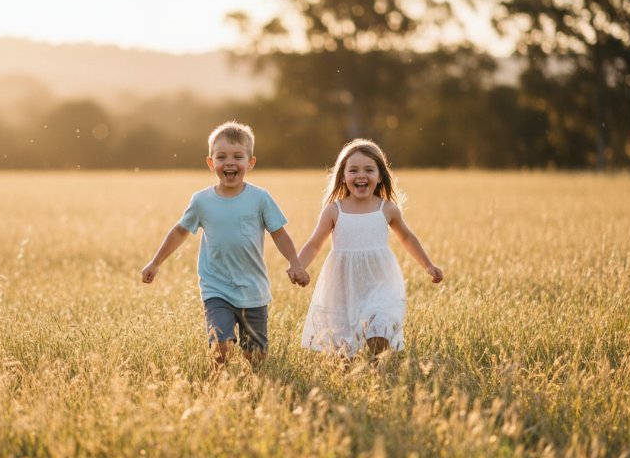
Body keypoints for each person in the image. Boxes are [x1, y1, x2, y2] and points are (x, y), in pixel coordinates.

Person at [141, 121, 309, 366]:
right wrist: (155, 262)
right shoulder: (201, 201)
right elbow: (179, 232)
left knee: (256, 357)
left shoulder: (260, 198)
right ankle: (220, 383)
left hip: (253, 289)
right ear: (211, 163)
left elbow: (279, 234)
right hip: (216, 287)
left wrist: (295, 262)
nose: (229, 162)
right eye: (221, 157)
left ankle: (255, 390)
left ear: (250, 163)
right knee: (220, 343)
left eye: (237, 156)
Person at [297, 139, 443, 359]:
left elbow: (407, 237)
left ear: (380, 175)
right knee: (343, 346)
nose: (361, 175)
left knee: (380, 329)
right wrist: (299, 266)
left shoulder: (387, 209)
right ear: (343, 177)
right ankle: (349, 376)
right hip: (343, 284)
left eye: (368, 169)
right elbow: (315, 243)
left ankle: (377, 371)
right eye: (353, 170)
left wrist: (428, 264)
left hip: (379, 282)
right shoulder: (334, 210)